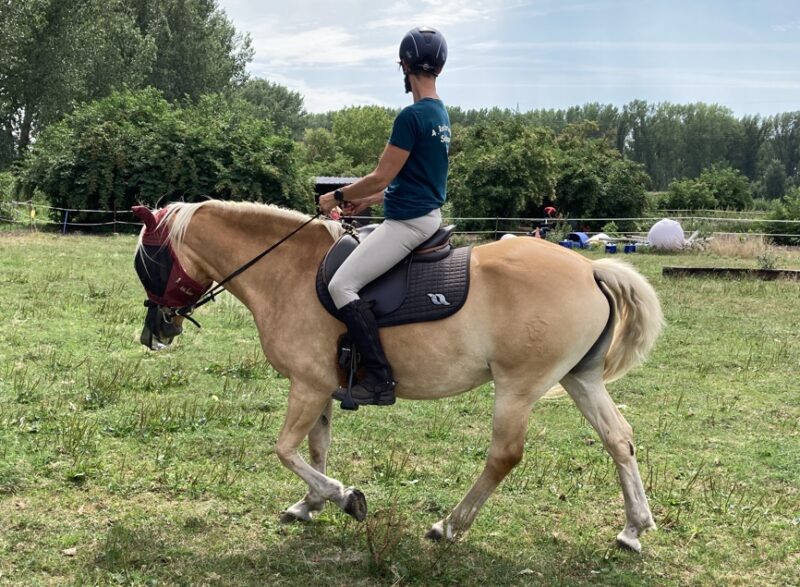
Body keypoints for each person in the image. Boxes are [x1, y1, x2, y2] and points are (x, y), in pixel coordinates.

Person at [318, 26, 451, 407]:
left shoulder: (411, 116)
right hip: (424, 214)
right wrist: (371, 202)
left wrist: (336, 196)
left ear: (404, 65)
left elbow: (382, 174)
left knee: (341, 285)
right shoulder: (440, 114)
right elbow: (412, 181)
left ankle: (378, 378)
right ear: (439, 67)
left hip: (408, 225)